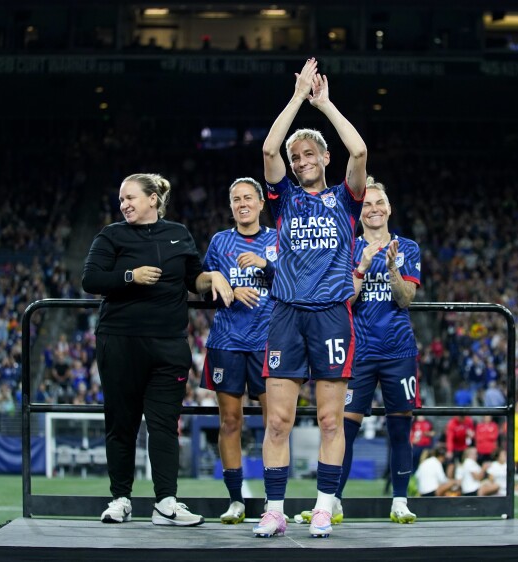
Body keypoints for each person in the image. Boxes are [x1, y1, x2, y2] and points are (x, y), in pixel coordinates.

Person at [253, 57, 367, 539]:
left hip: (331, 318)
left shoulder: (346, 198)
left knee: (328, 418)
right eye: (295, 157)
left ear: (323, 158)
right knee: (277, 421)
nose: (298, 161)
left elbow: (359, 150)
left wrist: (325, 105)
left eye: (307, 155)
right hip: (285, 315)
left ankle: (323, 506)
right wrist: (298, 96)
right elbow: (267, 146)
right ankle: (274, 510)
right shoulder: (284, 198)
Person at [81, 172, 234, 526]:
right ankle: (120, 499)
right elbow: (90, 279)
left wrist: (215, 278)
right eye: (121, 200)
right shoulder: (111, 235)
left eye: (131, 197)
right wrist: (129, 276)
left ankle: (166, 502)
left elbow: (194, 279)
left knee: (165, 425)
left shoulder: (179, 234)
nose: (124, 204)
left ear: (153, 199)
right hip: (119, 341)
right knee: (122, 424)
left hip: (168, 345)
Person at [324, 176, 421, 524]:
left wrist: (392, 265)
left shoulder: (407, 247)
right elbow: (344, 299)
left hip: (399, 352)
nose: (374, 209)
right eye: (366, 204)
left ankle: (399, 501)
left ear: (389, 208)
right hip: (359, 352)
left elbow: (405, 299)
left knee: (399, 430)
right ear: (359, 210)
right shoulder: (348, 248)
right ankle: (334, 500)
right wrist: (363, 267)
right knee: (344, 430)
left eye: (379, 202)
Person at [199, 178, 276, 524]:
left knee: (275, 423)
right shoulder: (220, 241)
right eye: (235, 199)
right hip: (227, 342)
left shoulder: (277, 239)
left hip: (269, 343)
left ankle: (274, 502)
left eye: (248, 198)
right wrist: (223, 284)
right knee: (230, 421)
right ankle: (236, 501)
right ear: (230, 207)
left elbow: (297, 280)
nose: (242, 203)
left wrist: (265, 266)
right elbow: (201, 283)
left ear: (261, 203)